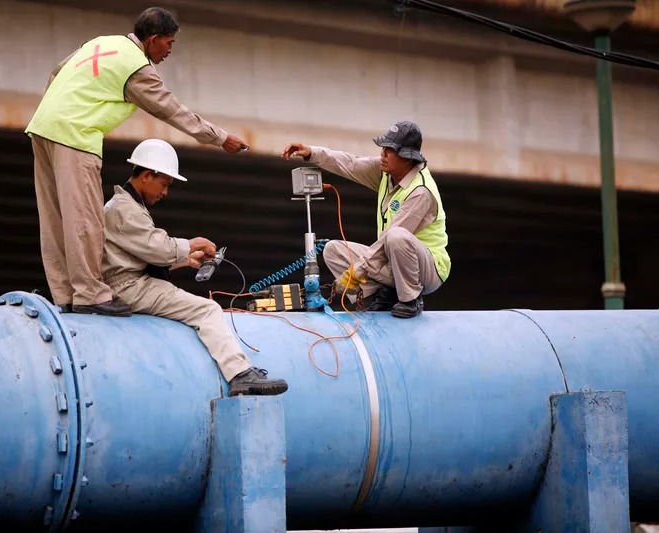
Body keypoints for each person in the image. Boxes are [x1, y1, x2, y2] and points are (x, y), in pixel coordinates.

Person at [25, 7, 248, 316]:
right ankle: (90, 294)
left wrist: (58, 108)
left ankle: (64, 295)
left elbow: (56, 72)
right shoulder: (137, 68)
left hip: (43, 126)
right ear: (153, 39)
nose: (170, 50)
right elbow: (172, 110)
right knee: (85, 218)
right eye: (168, 43)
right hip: (75, 134)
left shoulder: (101, 43)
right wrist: (220, 137)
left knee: (55, 219)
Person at [102, 138, 288, 396]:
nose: (165, 192)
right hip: (130, 288)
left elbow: (138, 253)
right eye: (164, 184)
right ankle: (239, 373)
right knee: (208, 309)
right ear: (146, 175)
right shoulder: (125, 209)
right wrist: (192, 244)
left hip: (126, 282)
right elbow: (157, 247)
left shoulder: (126, 205)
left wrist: (184, 260)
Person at [281, 121, 450, 318]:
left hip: (426, 271)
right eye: (383, 148)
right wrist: (312, 152)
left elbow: (388, 239)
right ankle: (383, 295)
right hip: (392, 258)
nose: (383, 154)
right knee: (333, 250)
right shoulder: (386, 173)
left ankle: (410, 299)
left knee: (396, 236)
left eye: (390, 150)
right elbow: (350, 163)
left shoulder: (420, 191)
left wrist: (356, 272)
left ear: (407, 158)